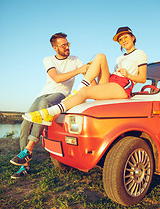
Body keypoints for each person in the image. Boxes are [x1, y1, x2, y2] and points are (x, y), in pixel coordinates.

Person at [12, 26, 148, 165]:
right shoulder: (120, 58)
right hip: (111, 81)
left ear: (133, 37)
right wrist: (89, 71)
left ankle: (54, 110)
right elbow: (60, 76)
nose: (123, 40)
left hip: (122, 86)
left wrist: (128, 75)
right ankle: (82, 87)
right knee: (100, 56)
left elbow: (142, 79)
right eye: (120, 39)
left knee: (84, 92)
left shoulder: (140, 54)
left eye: (125, 37)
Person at [10, 32, 90, 179]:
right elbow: (57, 78)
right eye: (63, 45)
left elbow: (88, 75)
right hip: (43, 94)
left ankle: (30, 148)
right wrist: (79, 70)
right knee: (24, 126)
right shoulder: (48, 59)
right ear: (55, 48)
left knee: (44, 104)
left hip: (61, 95)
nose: (67, 47)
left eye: (68, 44)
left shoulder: (75, 59)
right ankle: (24, 166)